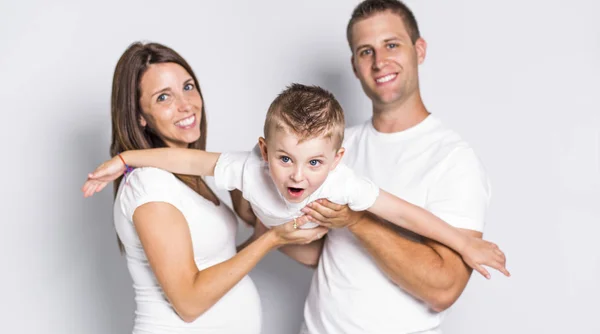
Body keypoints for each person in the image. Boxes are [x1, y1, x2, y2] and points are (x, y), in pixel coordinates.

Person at [284, 1, 504, 334]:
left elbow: (443, 287)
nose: (379, 60)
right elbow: (322, 252)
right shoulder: (338, 146)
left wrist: (355, 220)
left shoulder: (452, 159)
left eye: (392, 45)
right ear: (354, 65)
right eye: (365, 51)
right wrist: (256, 209)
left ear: (419, 50)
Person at [83, 84, 507, 280]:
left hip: (306, 235)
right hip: (266, 221)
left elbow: (402, 211)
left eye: (314, 162)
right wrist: (124, 159)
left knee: (334, 242)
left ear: (337, 159)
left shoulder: (341, 182)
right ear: (264, 150)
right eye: (285, 159)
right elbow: (186, 157)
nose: (299, 175)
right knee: (243, 207)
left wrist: (465, 243)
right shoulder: (249, 167)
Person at [95, 42, 326, 334]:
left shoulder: (203, 178)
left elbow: (214, 265)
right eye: (163, 97)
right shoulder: (149, 184)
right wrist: (271, 240)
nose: (186, 104)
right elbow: (188, 300)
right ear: (140, 116)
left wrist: (275, 225)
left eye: (188, 87)